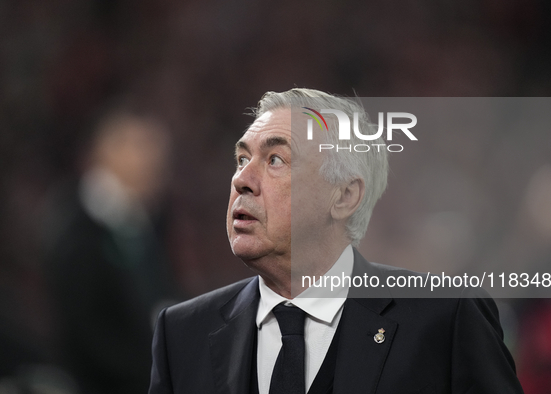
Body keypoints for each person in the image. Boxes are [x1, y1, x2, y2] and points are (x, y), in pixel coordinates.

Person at [149, 88, 524, 393]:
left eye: (275, 159)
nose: (241, 179)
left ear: (344, 196)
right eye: (242, 158)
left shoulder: (446, 318)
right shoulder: (182, 333)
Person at [44, 108, 177, 394]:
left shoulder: (144, 223)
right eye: (143, 146)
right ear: (108, 152)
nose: (156, 160)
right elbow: (86, 332)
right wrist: (151, 368)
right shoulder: (78, 231)